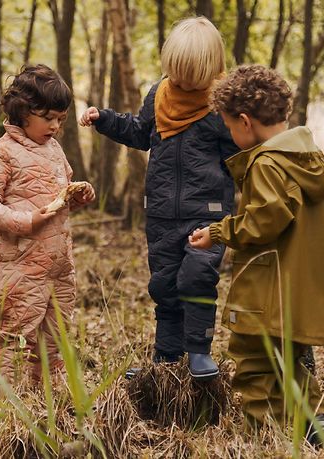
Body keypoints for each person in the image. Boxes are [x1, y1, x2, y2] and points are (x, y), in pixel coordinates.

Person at [189, 64, 324, 446]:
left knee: (255, 363)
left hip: (268, 289)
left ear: (245, 121)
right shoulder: (314, 158)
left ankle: (262, 436)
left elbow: (263, 222)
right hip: (305, 289)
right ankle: (313, 426)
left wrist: (218, 232)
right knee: (292, 362)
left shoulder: (267, 163)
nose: (231, 134)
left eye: (230, 126)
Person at [79, 17, 239, 380]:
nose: (181, 83)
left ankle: (198, 351)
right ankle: (166, 360)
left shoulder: (221, 104)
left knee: (197, 277)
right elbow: (139, 132)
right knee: (164, 286)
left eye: (190, 77)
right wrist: (104, 119)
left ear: (211, 70)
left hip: (209, 214)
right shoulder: (160, 94)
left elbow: (241, 154)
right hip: (163, 213)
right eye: (176, 73)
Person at [0, 64, 95, 386]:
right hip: (19, 266)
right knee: (14, 333)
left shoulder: (54, 149)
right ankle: (10, 406)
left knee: (55, 332)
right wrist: (26, 221)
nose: (55, 126)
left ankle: (45, 397)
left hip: (58, 263)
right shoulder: (0, 152)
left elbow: (62, 189)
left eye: (61, 119)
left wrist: (78, 195)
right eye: (48, 118)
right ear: (23, 111)